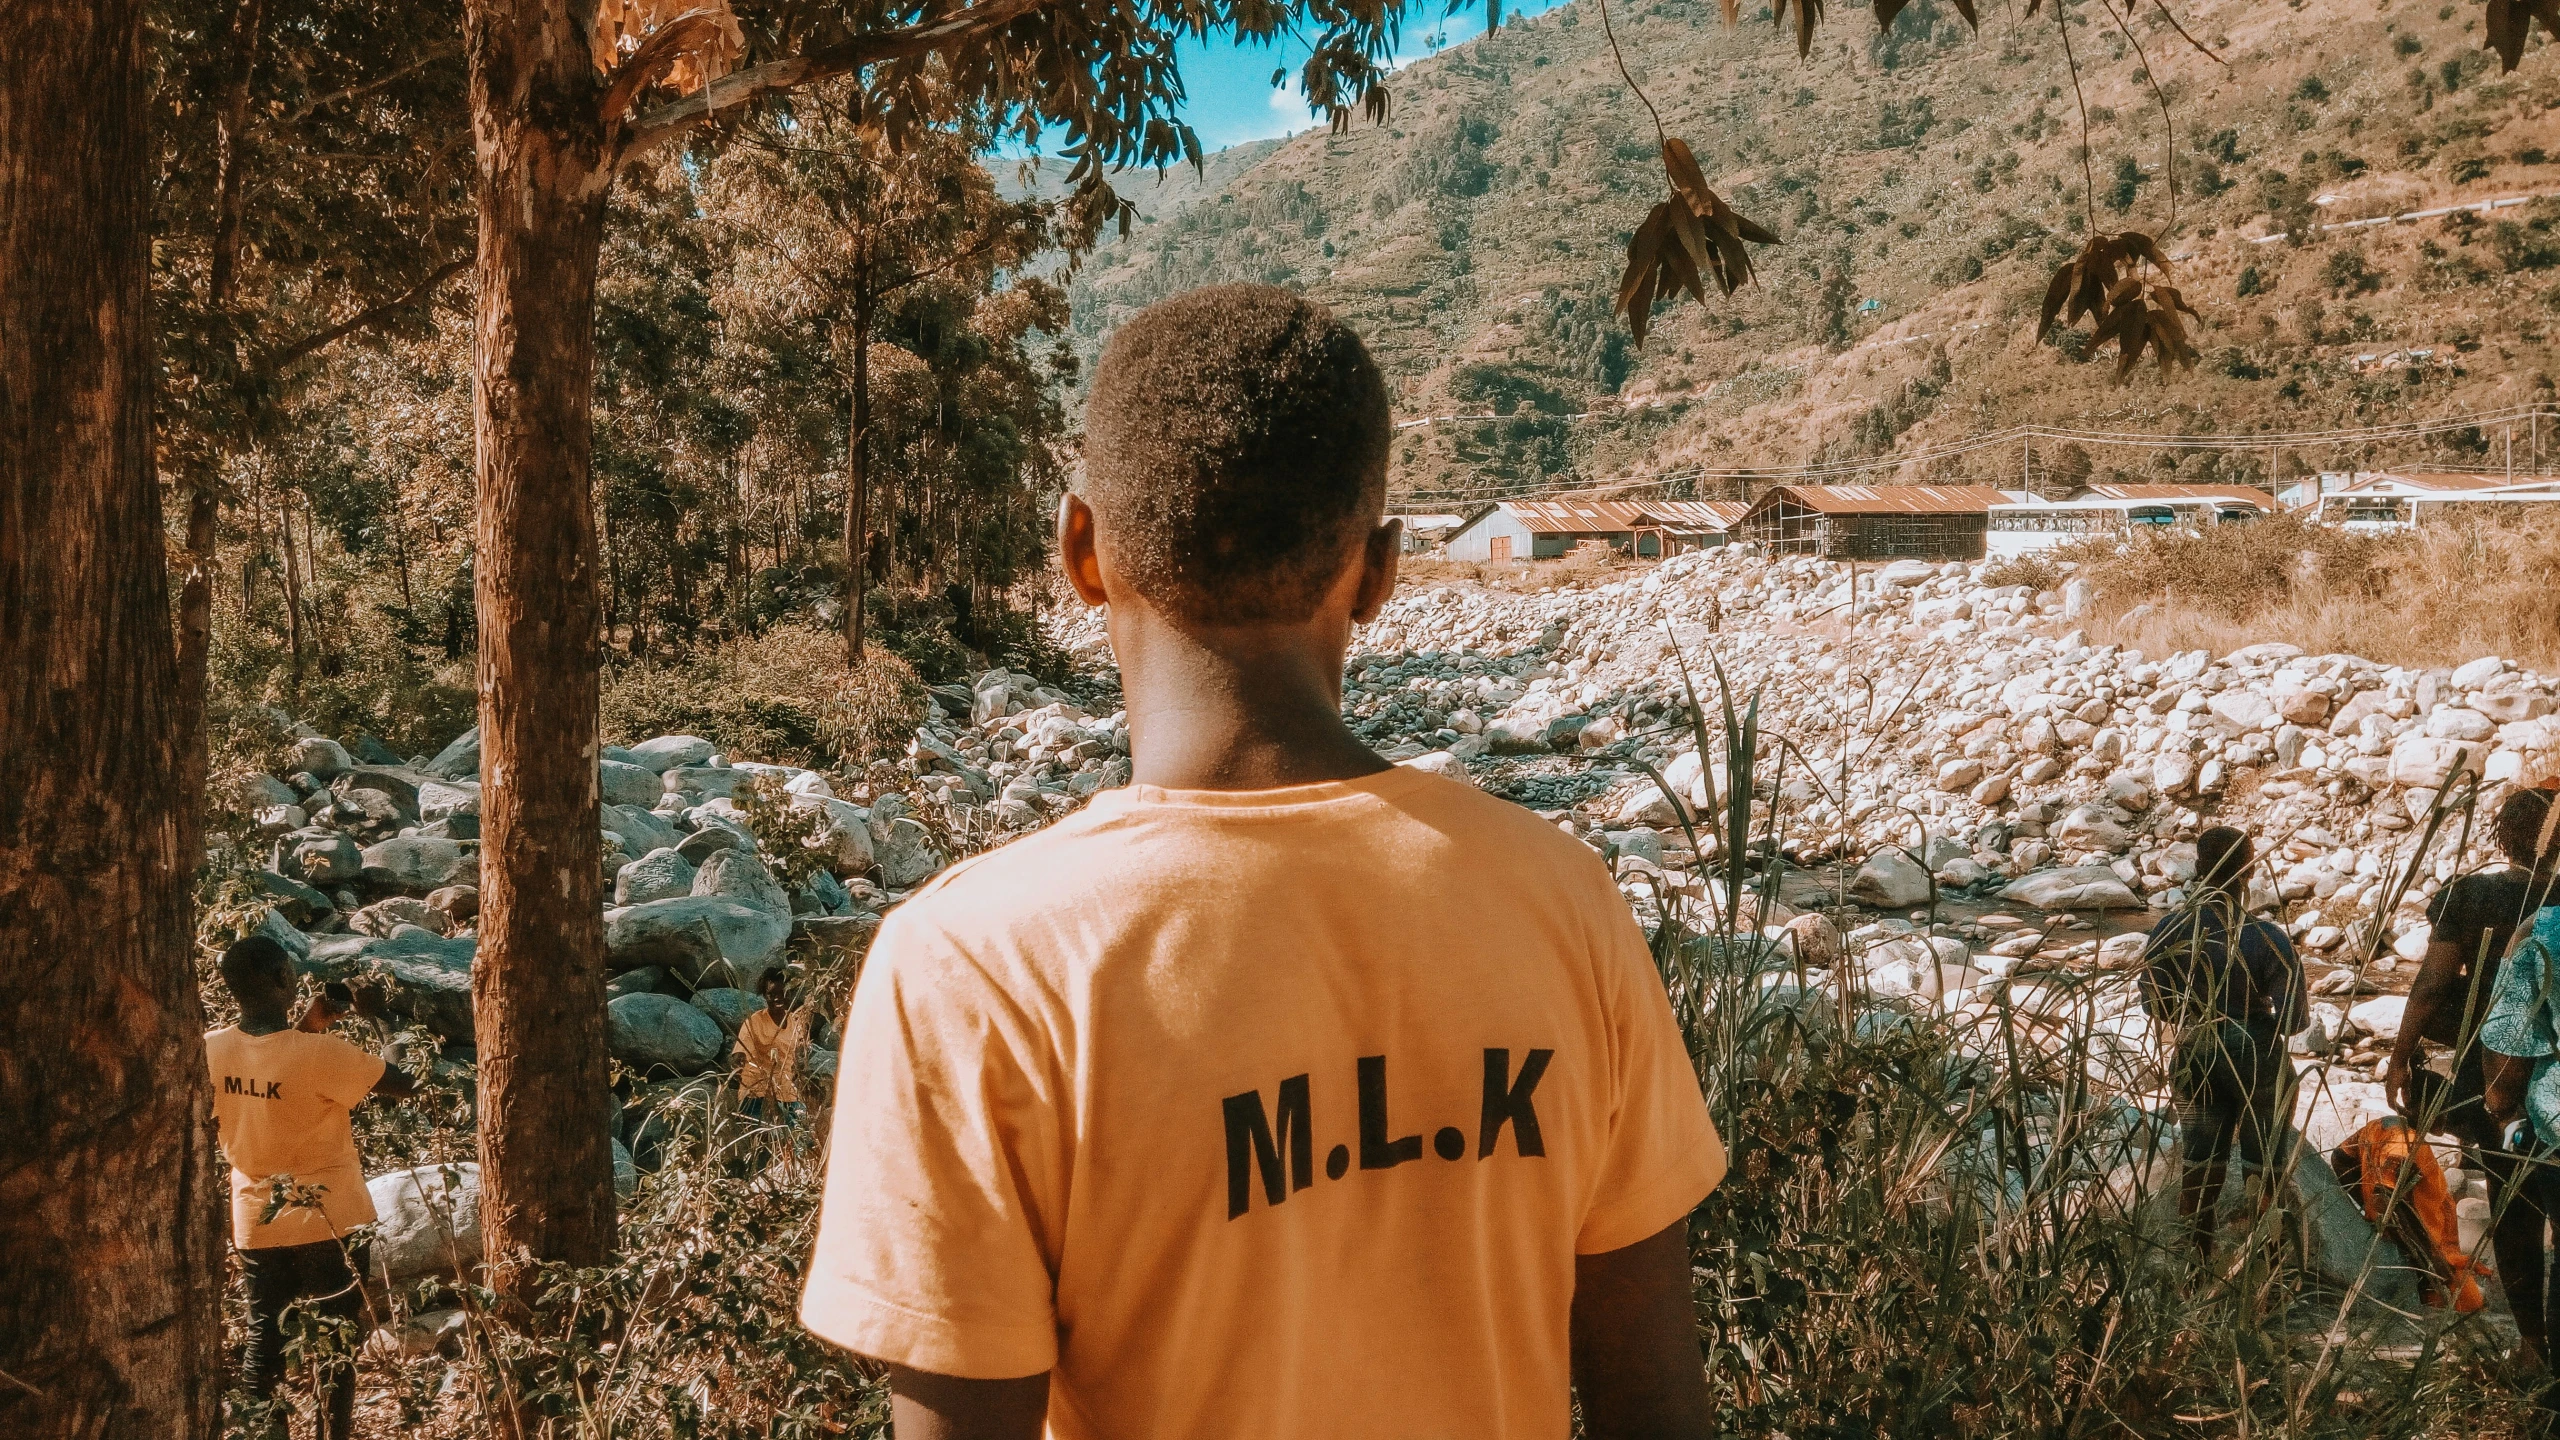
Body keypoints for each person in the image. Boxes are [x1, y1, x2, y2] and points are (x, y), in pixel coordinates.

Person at [799, 285, 1726, 1440]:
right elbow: (1655, 1404)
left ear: (1080, 549)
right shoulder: (1559, 901)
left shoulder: (975, 969)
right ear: (1381, 569)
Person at [205, 935, 416, 1438]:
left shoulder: (209, 1049)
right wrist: (378, 1015)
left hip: (256, 1218)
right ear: (283, 979)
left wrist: (309, 1023)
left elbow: (272, 1071)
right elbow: (408, 1082)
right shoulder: (322, 1055)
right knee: (335, 1345)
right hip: (333, 1218)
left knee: (264, 1342)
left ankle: (261, 1431)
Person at [2386, 786, 2560, 1362]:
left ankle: (2534, 1344)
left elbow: (2433, 983)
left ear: (2502, 836)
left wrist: (2400, 1053)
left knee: (2513, 1210)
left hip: (2502, 1078)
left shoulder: (2471, 895)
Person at [2138, 825, 2307, 1259]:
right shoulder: (2268, 938)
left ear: (2198, 868)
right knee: (2263, 1165)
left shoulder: (2169, 930)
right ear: (2248, 871)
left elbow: (2156, 1005)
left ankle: (2195, 1261)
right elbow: (2293, 1021)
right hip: (2256, 1057)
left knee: (2199, 1164)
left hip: (2196, 1049)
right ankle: (2263, 1268)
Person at [737, 968, 810, 1129]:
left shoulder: (796, 1022)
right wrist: (738, 1063)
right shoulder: (753, 1022)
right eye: (772, 994)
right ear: (764, 995)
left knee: (803, 1134)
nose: (778, 998)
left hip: (788, 1093)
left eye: (782, 993)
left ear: (789, 992)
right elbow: (739, 1055)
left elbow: (800, 1060)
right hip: (758, 1093)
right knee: (765, 1138)